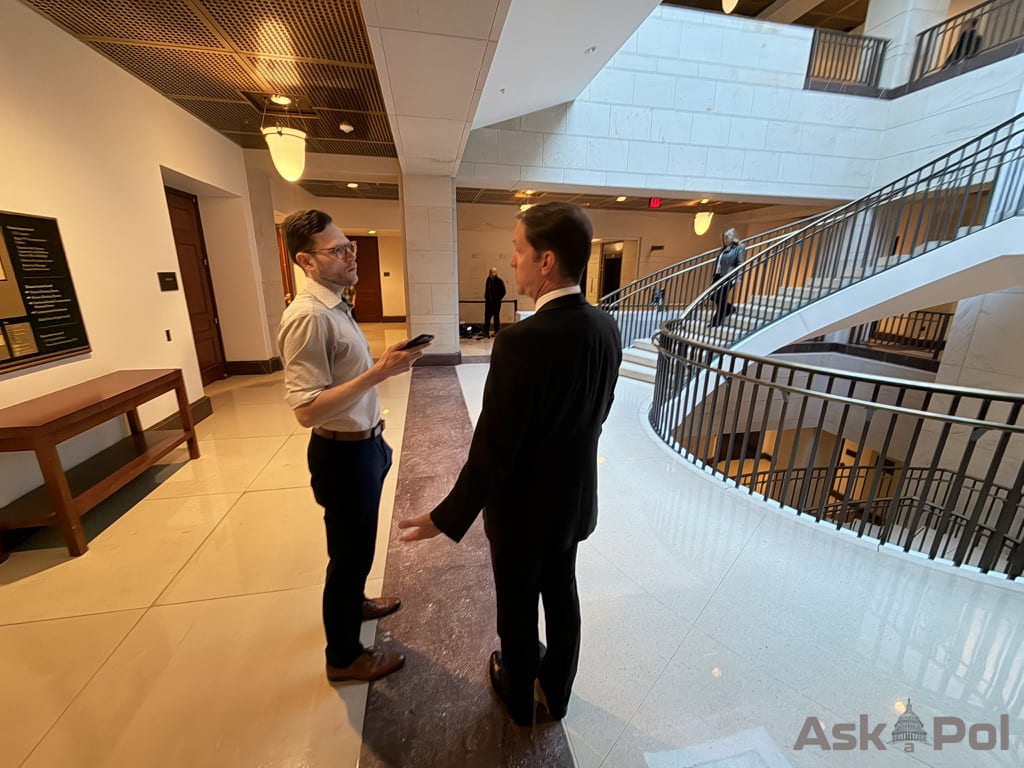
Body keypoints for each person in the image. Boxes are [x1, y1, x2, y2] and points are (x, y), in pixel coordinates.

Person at [398, 202, 622, 726]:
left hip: (523, 514)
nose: (512, 260)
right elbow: (600, 414)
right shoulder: (606, 328)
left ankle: (519, 697)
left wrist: (445, 516)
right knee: (562, 596)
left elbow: (494, 449)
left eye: (518, 250)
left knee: (518, 609)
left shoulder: (522, 341)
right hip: (572, 502)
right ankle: (558, 693)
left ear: (546, 261)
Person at [278, 209, 427, 683]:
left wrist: (378, 366)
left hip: (364, 446)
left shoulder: (337, 305)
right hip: (341, 455)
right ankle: (343, 658)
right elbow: (306, 410)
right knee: (347, 557)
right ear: (306, 260)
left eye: (350, 247)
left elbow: (345, 378)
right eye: (337, 250)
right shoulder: (307, 317)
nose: (349, 256)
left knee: (357, 548)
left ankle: (355, 603)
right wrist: (380, 372)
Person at [707, 227, 746, 328]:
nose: (724, 240)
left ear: (732, 238)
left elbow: (740, 263)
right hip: (718, 276)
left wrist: (738, 278)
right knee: (712, 296)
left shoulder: (739, 248)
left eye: (726, 238)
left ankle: (716, 321)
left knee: (722, 298)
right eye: (723, 238)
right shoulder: (723, 249)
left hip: (728, 276)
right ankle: (729, 309)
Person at [483, 266, 506, 337]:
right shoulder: (488, 280)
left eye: (491, 272)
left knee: (496, 317)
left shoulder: (499, 281)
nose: (490, 273)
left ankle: (497, 331)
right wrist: (486, 297)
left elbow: (503, 292)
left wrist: (498, 299)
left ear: (495, 273)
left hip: (496, 303)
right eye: (489, 272)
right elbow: (487, 290)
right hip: (488, 302)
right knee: (487, 317)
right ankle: (486, 332)